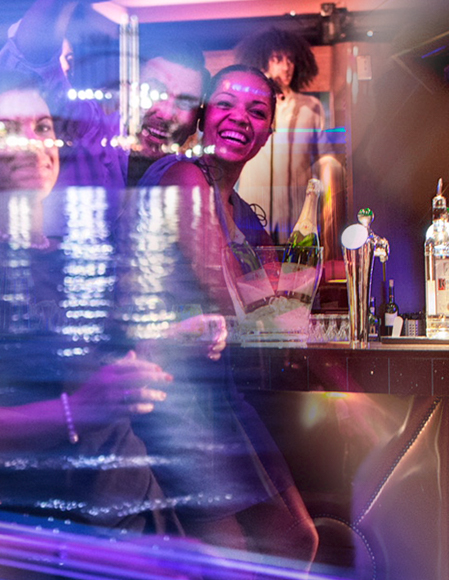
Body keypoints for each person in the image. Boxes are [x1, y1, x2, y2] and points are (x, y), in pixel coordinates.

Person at [0, 70, 178, 535]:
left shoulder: (64, 253)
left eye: (43, 127)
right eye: (8, 130)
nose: (34, 144)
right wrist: (79, 409)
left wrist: (169, 344)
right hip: (49, 526)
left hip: (131, 499)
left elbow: (102, 367)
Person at [134, 64, 320, 565]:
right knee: (231, 563)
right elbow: (229, 292)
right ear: (203, 116)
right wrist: (283, 297)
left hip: (217, 394)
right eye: (226, 104)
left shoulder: (239, 208)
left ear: (268, 133)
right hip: (171, 396)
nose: (240, 118)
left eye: (256, 111)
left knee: (296, 540)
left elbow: (277, 293)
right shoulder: (182, 177)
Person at [0, 0, 209, 192]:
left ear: (196, 121)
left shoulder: (192, 176)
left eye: (184, 102)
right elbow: (33, 64)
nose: (165, 113)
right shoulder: (92, 132)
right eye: (155, 91)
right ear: (127, 92)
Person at [234, 27, 330, 245]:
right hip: (253, 214)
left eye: (291, 60)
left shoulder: (311, 107)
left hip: (298, 217)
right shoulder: (247, 105)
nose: (286, 67)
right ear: (262, 61)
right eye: (278, 59)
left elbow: (322, 161)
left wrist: (324, 208)